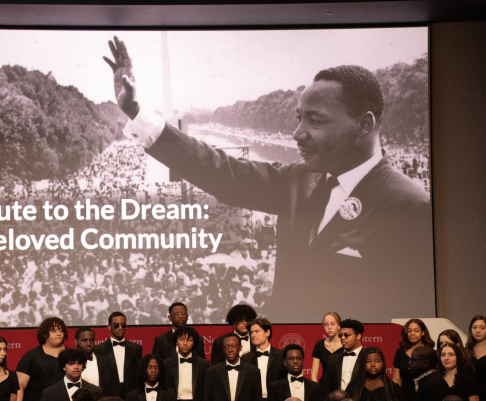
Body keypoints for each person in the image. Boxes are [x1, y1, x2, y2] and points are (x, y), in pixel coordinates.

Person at [103, 36, 434, 323]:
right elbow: (220, 171)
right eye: (299, 118)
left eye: (315, 121)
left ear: (364, 124)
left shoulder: (411, 207)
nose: (297, 133)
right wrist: (137, 112)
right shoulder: (299, 179)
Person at [16, 317, 68, 401]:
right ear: (44, 334)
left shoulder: (71, 354)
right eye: (54, 331)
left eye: (61, 330)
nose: (59, 334)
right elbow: (20, 384)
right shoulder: (32, 355)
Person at [94, 311, 143, 398]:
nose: (120, 328)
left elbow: (139, 374)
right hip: (108, 394)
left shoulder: (136, 348)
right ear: (109, 327)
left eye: (123, 325)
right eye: (116, 325)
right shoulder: (99, 349)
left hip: (131, 393)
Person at [204, 333, 262, 401]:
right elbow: (207, 398)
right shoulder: (212, 372)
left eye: (233, 346)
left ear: (240, 347)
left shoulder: (253, 372)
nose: (230, 350)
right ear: (223, 349)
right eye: (226, 347)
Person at [392, 319, 435, 401]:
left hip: (425, 395)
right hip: (405, 396)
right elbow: (396, 379)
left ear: (423, 332)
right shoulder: (400, 352)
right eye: (409, 331)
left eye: (416, 331)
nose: (412, 334)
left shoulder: (430, 353)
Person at [241, 318, 284, 399]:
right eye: (251, 332)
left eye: (257, 331)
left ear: (267, 332)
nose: (253, 335)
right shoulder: (245, 358)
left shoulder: (281, 356)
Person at [163, 326, 209, 401]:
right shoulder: (166, 364)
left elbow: (206, 389)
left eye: (189, 340)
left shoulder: (203, 364)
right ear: (176, 341)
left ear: (194, 342)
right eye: (181, 339)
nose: (185, 343)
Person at [74, 327, 119, 397]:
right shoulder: (70, 363)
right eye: (84, 340)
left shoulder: (106, 362)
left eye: (91, 340)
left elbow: (114, 388)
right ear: (76, 342)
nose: (89, 343)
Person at [323, 319, 364, 394]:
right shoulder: (333, 358)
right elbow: (327, 388)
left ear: (358, 336)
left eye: (346, 335)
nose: (342, 338)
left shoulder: (367, 357)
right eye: (340, 335)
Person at [312, 313, 342, 384]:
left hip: (342, 387)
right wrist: (316, 390)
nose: (329, 327)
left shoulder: (345, 345)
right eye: (326, 325)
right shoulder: (320, 345)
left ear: (339, 326)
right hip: (324, 386)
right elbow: (313, 375)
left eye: (333, 324)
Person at [466, 315, 486, 401]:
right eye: (474, 327)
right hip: (470, 395)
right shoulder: (466, 351)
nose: (477, 331)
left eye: (482, 328)